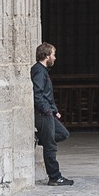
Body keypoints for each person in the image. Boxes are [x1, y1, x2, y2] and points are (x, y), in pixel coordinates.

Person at [31, 42, 73, 186]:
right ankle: (55, 177)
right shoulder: (38, 70)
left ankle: (38, 138)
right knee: (51, 147)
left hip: (48, 112)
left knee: (63, 134)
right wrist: (47, 110)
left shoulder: (43, 71)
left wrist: (54, 110)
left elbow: (46, 94)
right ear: (47, 55)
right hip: (43, 114)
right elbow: (37, 93)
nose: (55, 58)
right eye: (53, 55)